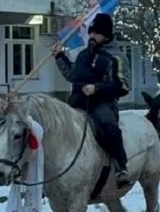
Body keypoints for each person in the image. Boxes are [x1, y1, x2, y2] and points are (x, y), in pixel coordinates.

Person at [52, 13, 132, 188]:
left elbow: (123, 86)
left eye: (97, 33)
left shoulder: (116, 57)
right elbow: (72, 75)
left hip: (102, 104)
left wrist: (97, 88)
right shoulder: (83, 56)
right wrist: (59, 57)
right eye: (91, 33)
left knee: (108, 127)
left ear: (106, 35)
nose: (92, 36)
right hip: (76, 103)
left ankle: (121, 167)